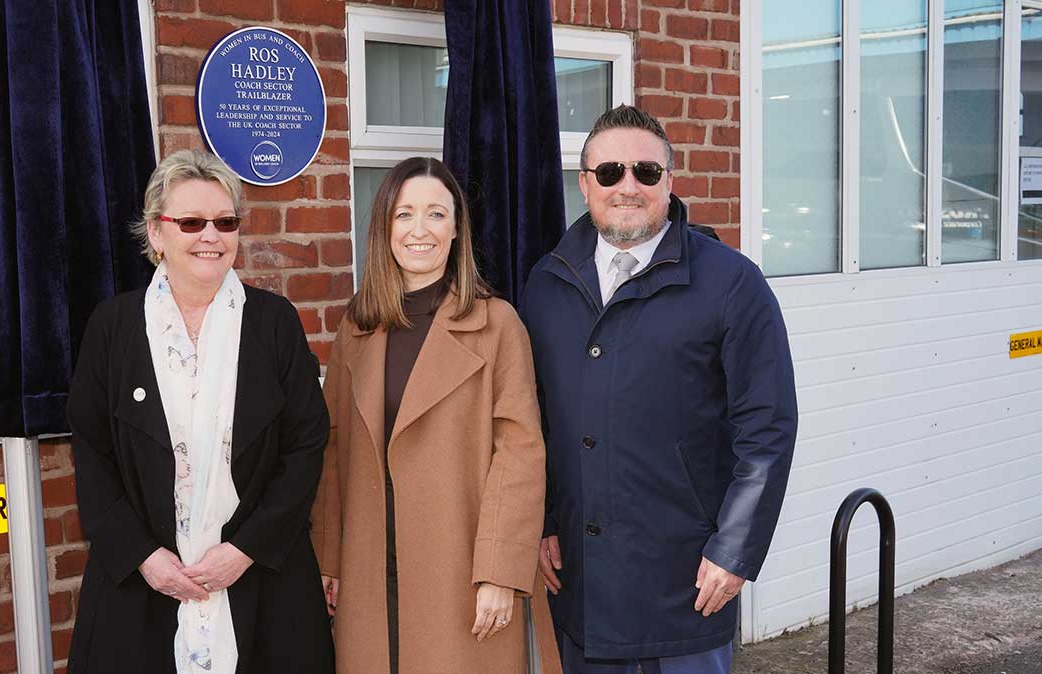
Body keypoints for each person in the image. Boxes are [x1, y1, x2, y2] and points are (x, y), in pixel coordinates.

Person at [520, 105, 798, 673]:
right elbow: (536, 421)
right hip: (582, 586)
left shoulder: (732, 283)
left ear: (669, 182)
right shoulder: (546, 283)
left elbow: (766, 428)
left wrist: (735, 551)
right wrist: (543, 521)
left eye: (646, 172)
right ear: (585, 184)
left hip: (687, 588)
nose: (628, 186)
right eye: (610, 172)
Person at [66, 149, 334, 674]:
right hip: (141, 587)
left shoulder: (274, 324)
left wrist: (244, 550)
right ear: (157, 233)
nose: (210, 236)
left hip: (263, 580)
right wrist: (144, 557)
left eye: (225, 222)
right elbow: (92, 452)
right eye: (190, 222)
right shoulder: (112, 328)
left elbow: (306, 445)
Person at [311, 156, 561, 674]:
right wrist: (329, 557)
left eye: (436, 214)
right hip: (371, 576)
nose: (419, 230)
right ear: (385, 227)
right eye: (404, 214)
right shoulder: (356, 327)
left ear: (456, 230)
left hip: (462, 574)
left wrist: (499, 570)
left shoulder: (496, 324)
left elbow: (520, 454)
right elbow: (332, 450)